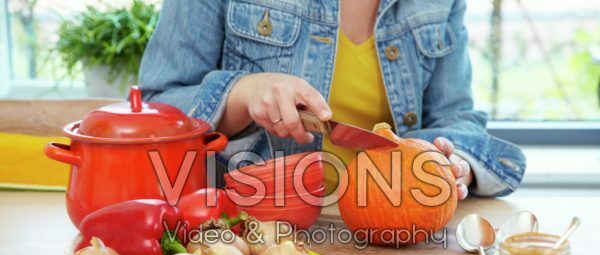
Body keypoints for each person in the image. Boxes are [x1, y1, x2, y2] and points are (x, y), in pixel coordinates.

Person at [139, 0, 525, 199]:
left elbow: (453, 118)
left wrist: (455, 162)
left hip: (390, 241)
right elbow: (158, 107)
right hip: (247, 239)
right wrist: (243, 94)